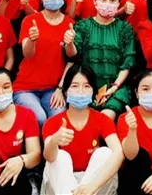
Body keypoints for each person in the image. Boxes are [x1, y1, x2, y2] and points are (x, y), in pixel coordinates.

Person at [41, 65, 123, 195]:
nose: (80, 91)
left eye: (86, 86)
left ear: (93, 91)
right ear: (66, 92)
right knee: (60, 156)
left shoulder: (102, 120)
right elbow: (48, 157)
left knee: (105, 153)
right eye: (74, 86)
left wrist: (91, 187)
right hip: (61, 184)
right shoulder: (52, 123)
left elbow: (119, 153)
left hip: (93, 185)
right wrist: (54, 141)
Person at [67, 0, 137, 120]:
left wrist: (114, 87)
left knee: (105, 117)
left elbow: (127, 63)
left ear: (119, 4)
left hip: (116, 88)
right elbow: (72, 55)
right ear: (95, 2)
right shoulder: (83, 26)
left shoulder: (125, 29)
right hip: (86, 87)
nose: (108, 3)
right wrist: (69, 43)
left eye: (112, 0)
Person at [14, 0, 73, 125]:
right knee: (39, 118)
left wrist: (60, 89)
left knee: (58, 119)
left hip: (53, 89)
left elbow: (72, 59)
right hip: (25, 87)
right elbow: (27, 54)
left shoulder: (70, 24)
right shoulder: (30, 21)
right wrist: (32, 40)